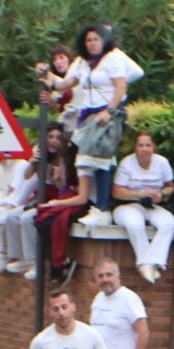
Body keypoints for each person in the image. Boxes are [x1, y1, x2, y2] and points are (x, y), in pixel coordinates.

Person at [58, 23, 139, 227]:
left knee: (98, 156)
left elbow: (121, 85)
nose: (92, 44)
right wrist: (47, 79)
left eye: (96, 39)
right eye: (88, 40)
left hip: (106, 113)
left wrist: (109, 111)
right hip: (88, 114)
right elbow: (67, 83)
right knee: (91, 158)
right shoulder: (84, 63)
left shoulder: (112, 58)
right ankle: (97, 204)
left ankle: (102, 207)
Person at [111, 131, 174, 283]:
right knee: (135, 224)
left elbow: (170, 186)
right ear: (136, 148)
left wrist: (161, 194)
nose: (145, 149)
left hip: (152, 205)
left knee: (169, 223)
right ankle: (146, 264)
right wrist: (139, 194)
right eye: (141, 145)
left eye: (148, 145)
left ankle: (150, 261)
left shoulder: (162, 163)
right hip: (128, 206)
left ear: (153, 147)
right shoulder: (127, 163)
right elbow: (116, 192)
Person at [31, 127, 91, 283]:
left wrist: (58, 202)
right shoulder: (66, 163)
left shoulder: (84, 166)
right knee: (41, 219)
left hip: (85, 203)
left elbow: (82, 198)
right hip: (70, 196)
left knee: (53, 220)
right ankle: (54, 262)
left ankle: (59, 263)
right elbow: (66, 187)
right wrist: (58, 179)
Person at [0, 142, 43, 276]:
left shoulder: (25, 165)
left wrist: (11, 204)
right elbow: (18, 189)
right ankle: (3, 253)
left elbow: (25, 191)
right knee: (6, 216)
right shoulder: (25, 167)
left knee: (25, 219)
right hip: (28, 201)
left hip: (42, 201)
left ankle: (33, 259)